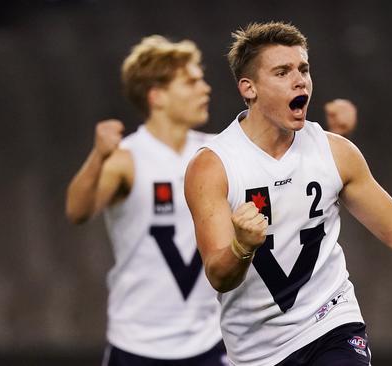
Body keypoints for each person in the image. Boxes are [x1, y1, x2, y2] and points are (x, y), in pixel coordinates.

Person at [184, 21, 392, 366]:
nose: (300, 80)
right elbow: (219, 276)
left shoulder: (335, 152)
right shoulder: (213, 166)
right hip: (256, 353)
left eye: (304, 69)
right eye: (282, 72)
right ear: (248, 88)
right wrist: (241, 245)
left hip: (331, 325)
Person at [65, 34, 359, 366]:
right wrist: (98, 156)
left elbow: (291, 180)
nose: (205, 88)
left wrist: (336, 138)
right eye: (190, 82)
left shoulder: (216, 155)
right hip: (138, 340)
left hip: (209, 341)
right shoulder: (128, 158)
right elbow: (77, 211)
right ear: (157, 96)